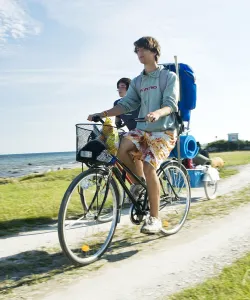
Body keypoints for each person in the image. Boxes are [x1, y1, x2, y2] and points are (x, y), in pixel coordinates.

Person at [88, 36, 178, 234]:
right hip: (143, 130)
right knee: (121, 149)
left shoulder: (168, 77)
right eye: (137, 51)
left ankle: (155, 219)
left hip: (164, 131)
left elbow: (171, 104)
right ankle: (139, 185)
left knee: (149, 166)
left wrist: (157, 113)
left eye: (142, 50)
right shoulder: (138, 81)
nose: (139, 54)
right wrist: (101, 114)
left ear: (154, 51)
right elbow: (126, 104)